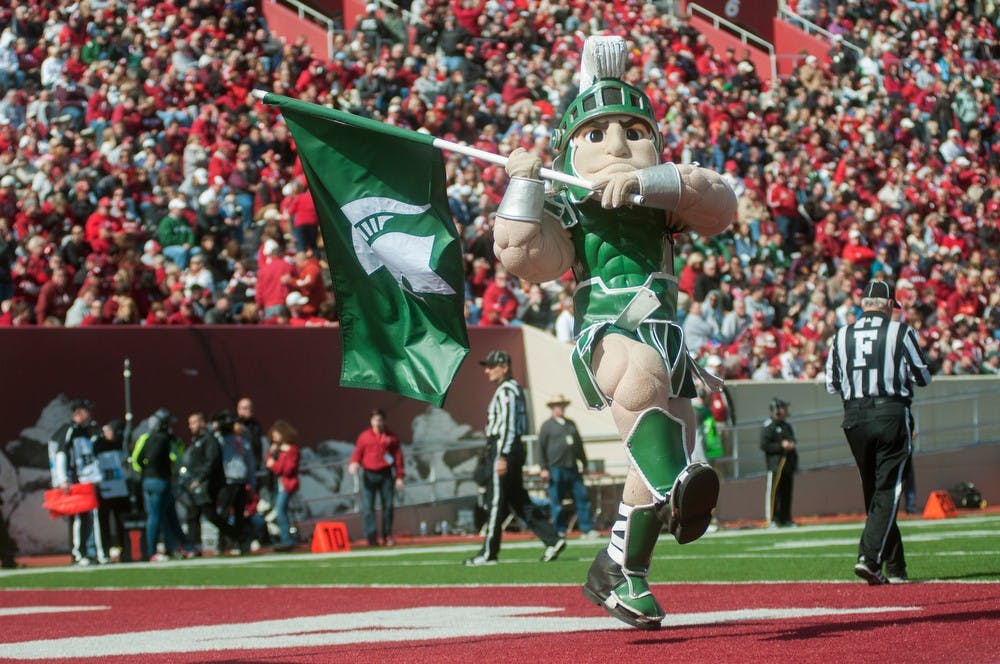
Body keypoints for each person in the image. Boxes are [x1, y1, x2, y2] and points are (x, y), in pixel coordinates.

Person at [492, 36, 735, 628]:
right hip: (608, 323)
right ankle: (677, 482)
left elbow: (722, 204)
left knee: (641, 461)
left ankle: (620, 571)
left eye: (632, 128)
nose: (619, 143)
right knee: (640, 380)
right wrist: (524, 187)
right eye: (597, 134)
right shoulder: (569, 206)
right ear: (570, 148)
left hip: (666, 328)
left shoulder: (666, 197)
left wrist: (650, 184)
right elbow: (522, 257)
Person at [826, 280, 932, 585]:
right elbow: (923, 375)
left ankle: (896, 567)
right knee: (888, 489)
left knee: (876, 492)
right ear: (888, 305)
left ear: (863, 304)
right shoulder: (901, 331)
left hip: (854, 417)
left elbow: (831, 384)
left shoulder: (841, 335)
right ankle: (869, 558)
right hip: (889, 413)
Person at [465, 350, 565, 566]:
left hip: (504, 451)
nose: (487, 370)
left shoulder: (506, 391)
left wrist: (501, 456)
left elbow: (508, 426)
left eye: (492, 366)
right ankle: (552, 539)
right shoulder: (511, 390)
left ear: (504, 366)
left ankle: (488, 552)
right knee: (520, 501)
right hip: (510, 451)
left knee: (495, 502)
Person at [131, 408, 194, 561]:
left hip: (148, 480)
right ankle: (153, 551)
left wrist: (146, 470)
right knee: (158, 516)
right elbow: (176, 458)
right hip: (161, 481)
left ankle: (179, 547)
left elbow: (136, 461)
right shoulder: (166, 439)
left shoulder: (145, 438)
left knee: (165, 515)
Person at [50, 398, 107, 565]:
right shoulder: (69, 431)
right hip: (75, 481)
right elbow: (61, 455)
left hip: (87, 481)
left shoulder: (85, 431)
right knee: (79, 518)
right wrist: (63, 480)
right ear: (79, 412)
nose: (89, 414)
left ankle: (89, 551)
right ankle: (78, 553)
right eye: (87, 411)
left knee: (89, 517)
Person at [179, 411, 241, 554]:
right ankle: (195, 546)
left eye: (193, 423)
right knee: (193, 515)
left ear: (201, 423)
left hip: (206, 485)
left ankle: (237, 536)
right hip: (195, 486)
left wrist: (200, 480)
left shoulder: (209, 440)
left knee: (211, 516)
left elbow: (211, 462)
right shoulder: (196, 441)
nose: (190, 426)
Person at [537, 393, 598, 539]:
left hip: (572, 467)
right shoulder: (547, 426)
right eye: (557, 406)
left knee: (582, 497)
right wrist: (544, 468)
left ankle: (587, 528)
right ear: (552, 408)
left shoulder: (571, 424)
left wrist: (584, 463)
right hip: (555, 468)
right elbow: (540, 448)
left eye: (562, 405)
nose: (560, 408)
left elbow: (579, 445)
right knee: (556, 501)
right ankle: (560, 530)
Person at [349, 409, 405, 546]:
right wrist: (354, 463)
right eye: (375, 420)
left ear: (384, 421)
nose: (377, 423)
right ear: (371, 421)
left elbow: (398, 457)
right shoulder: (364, 437)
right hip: (369, 474)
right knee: (368, 507)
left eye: (380, 420)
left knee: (388, 506)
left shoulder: (391, 437)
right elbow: (358, 452)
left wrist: (399, 476)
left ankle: (387, 535)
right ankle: (371, 537)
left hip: (386, 474)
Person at [214, 409, 256, 555]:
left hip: (241, 481)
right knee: (223, 514)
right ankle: (221, 543)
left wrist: (252, 482)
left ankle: (239, 543)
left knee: (240, 514)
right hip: (228, 481)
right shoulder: (222, 439)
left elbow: (249, 463)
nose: (241, 427)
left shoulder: (244, 441)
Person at [94, 420, 131, 562]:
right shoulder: (97, 445)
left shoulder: (121, 444)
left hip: (120, 490)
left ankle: (123, 549)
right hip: (105, 490)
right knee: (104, 522)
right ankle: (105, 550)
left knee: (120, 521)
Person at [760, 398, 798, 528]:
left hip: (787, 466)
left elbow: (793, 439)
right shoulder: (769, 426)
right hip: (775, 465)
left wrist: (790, 444)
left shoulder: (786, 426)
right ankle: (772, 519)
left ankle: (786, 518)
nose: (785, 410)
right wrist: (781, 446)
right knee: (774, 493)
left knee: (787, 493)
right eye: (782, 408)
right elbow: (764, 445)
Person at [265, 420, 301, 551]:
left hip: (287, 485)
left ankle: (287, 540)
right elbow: (268, 461)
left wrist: (273, 465)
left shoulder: (291, 450)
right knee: (282, 512)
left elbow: (286, 469)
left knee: (281, 510)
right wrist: (272, 453)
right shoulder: (277, 450)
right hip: (278, 485)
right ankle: (287, 537)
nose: (274, 437)